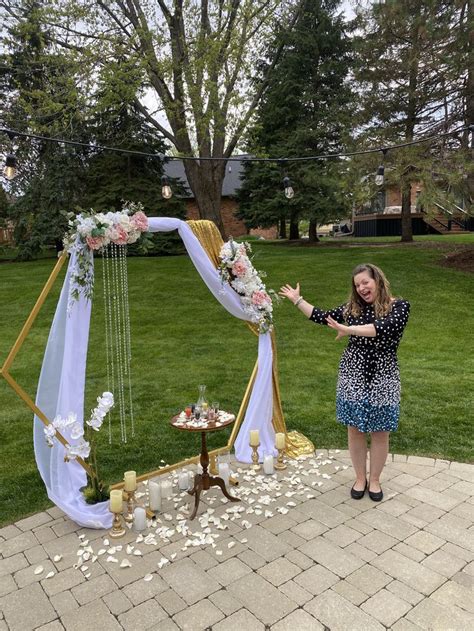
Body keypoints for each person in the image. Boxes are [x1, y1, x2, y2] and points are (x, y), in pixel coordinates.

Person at [279, 263, 410, 502]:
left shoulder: (398, 306)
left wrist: (348, 329)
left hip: (384, 375)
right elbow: (321, 316)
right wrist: (297, 300)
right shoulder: (352, 308)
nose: (361, 288)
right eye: (357, 285)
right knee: (355, 429)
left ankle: (376, 480)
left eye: (365, 282)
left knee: (380, 431)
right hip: (353, 374)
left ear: (377, 280)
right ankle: (360, 478)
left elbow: (383, 328)